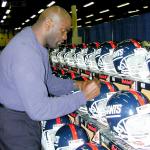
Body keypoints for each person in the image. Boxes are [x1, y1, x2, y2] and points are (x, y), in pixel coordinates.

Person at [0, 5, 100, 150]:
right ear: (48, 24)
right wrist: (82, 97)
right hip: (15, 126)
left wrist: (78, 85)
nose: (66, 37)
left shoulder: (36, 45)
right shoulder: (26, 53)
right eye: (63, 30)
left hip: (20, 116)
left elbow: (49, 82)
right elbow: (39, 109)